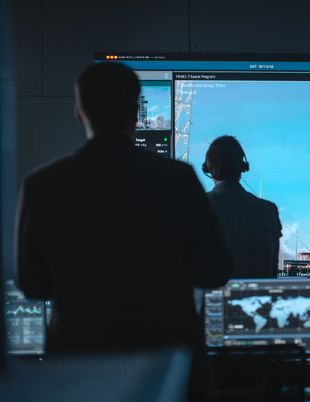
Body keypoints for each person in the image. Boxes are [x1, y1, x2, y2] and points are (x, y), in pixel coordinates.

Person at [15, 62, 233, 353]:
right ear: (135, 113)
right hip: (167, 363)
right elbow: (215, 271)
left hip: (78, 362)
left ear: (79, 115)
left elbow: (33, 286)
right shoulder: (178, 179)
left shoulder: (40, 185)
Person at [203, 136, 282, 278]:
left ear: (207, 168)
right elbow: (273, 271)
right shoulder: (269, 211)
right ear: (243, 167)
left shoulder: (194, 207)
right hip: (257, 298)